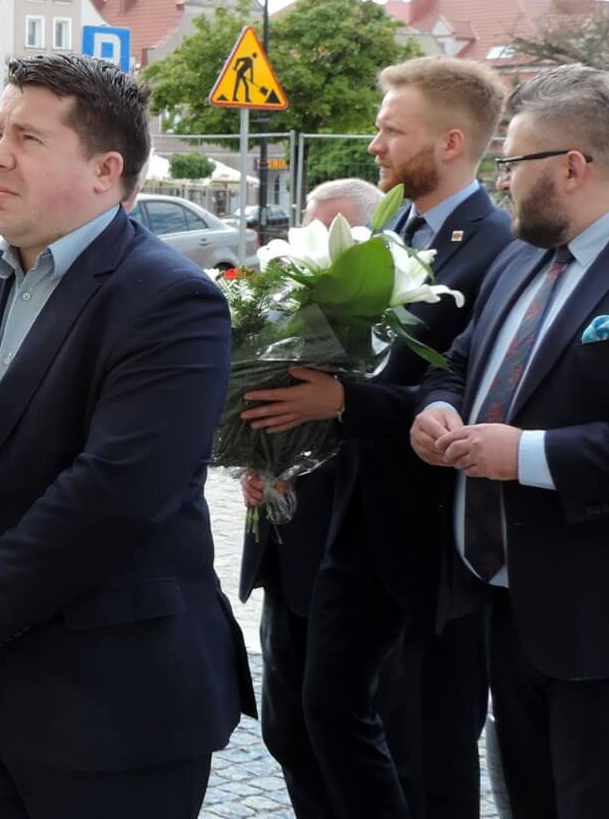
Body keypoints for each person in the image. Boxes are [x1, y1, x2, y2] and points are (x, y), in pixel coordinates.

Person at [0, 53, 252, 817]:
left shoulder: (172, 301)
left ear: (107, 170)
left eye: (29, 139)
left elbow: (113, 494)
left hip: (113, 707)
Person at [413, 64, 609, 818]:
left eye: (513, 164)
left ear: (573, 167)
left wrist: (529, 456)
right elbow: (460, 364)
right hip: (510, 612)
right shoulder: (522, 257)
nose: (503, 182)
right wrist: (437, 411)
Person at [241, 57, 513, 819]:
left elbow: (461, 395)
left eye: (392, 130)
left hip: (434, 536)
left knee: (434, 746)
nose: (374, 145)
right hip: (350, 522)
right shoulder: (392, 225)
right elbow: (349, 358)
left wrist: (341, 402)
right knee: (323, 710)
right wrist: (283, 449)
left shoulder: (497, 250)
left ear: (453, 142)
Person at [235, 176, 381, 819]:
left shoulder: (382, 326)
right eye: (311, 230)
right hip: (283, 553)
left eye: (334, 235)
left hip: (349, 556)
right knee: (285, 731)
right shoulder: (283, 311)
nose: (316, 250)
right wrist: (253, 457)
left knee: (342, 731)